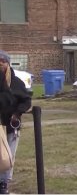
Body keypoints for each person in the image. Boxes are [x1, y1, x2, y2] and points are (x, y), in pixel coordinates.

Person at [0, 50, 32, 194]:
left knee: (8, 155)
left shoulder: (16, 82)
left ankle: (4, 183)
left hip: (11, 125)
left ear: (7, 63)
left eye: (2, 61)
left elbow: (26, 100)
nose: (0, 64)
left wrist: (17, 113)